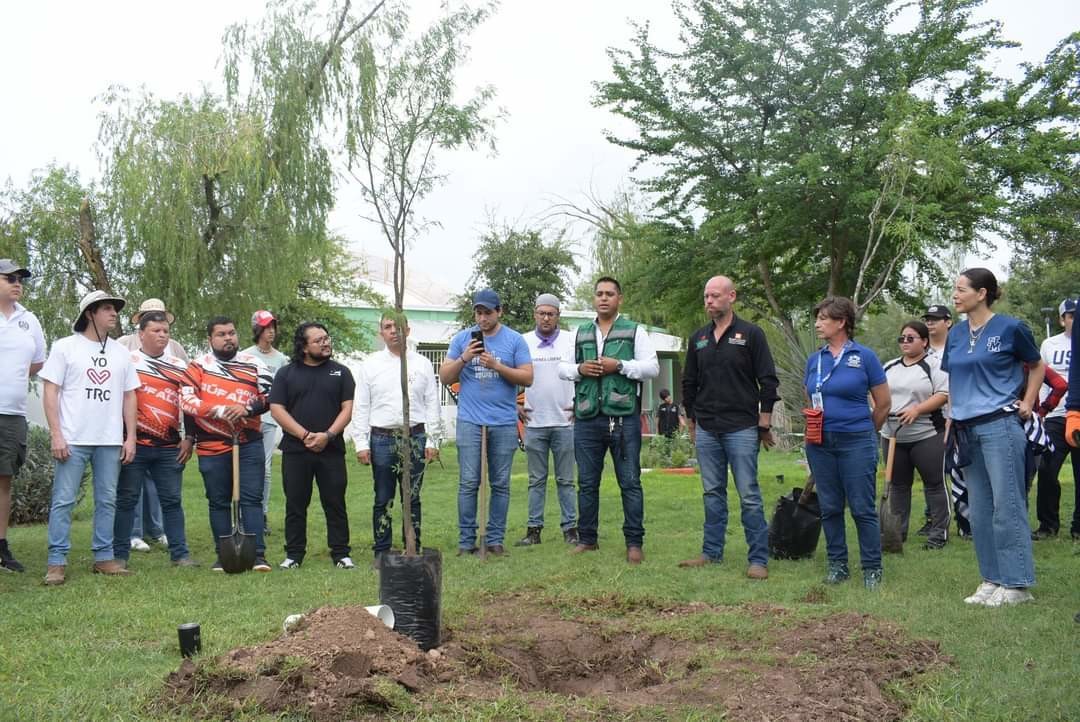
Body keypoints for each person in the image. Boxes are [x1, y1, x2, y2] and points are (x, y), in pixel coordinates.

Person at [942, 268, 1042, 607]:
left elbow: (1037, 365)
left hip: (1000, 425)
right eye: (954, 289)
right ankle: (992, 579)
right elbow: (953, 379)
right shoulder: (956, 334)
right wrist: (950, 419)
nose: (954, 295)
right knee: (980, 509)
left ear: (981, 293)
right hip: (965, 429)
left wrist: (1028, 402)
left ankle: (1017, 584)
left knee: (1007, 505)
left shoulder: (1011, 328)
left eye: (961, 289)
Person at [679, 275, 779, 579]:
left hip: (742, 427)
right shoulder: (699, 338)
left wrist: (764, 422)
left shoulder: (751, 334)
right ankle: (711, 553)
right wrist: (692, 421)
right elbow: (689, 382)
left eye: (715, 296)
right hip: (708, 427)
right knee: (712, 492)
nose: (709, 301)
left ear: (731, 296)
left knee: (748, 493)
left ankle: (758, 559)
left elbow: (768, 380)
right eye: (706, 296)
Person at [39, 290, 140, 585]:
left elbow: (130, 395)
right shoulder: (65, 347)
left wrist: (130, 436)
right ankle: (56, 562)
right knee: (64, 500)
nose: (114, 314)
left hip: (109, 440)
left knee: (108, 499)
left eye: (115, 309)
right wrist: (56, 434)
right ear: (90, 314)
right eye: (107, 309)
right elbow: (50, 391)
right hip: (73, 438)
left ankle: (104, 558)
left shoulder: (121, 352)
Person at [559, 277, 659, 564]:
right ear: (594, 298)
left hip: (624, 417)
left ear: (619, 299)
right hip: (588, 417)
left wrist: (621, 366)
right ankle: (587, 539)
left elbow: (651, 367)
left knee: (630, 482)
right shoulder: (579, 332)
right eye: (599, 294)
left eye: (610, 294)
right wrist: (580, 368)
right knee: (587, 482)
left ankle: (634, 542)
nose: (604, 298)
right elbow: (562, 369)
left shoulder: (634, 331)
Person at [803, 296, 890, 589]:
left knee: (862, 507)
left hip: (857, 441)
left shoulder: (864, 357)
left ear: (841, 322)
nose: (817, 324)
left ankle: (872, 568)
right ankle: (837, 565)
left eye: (823, 318)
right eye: (817, 318)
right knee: (829, 506)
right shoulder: (815, 360)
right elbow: (810, 400)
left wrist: (865, 431)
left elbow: (883, 404)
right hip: (820, 443)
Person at [439, 289, 533, 557]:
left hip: (503, 422)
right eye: (478, 313)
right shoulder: (462, 339)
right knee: (469, 482)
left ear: (499, 312)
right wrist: (465, 357)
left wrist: (497, 366)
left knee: (500, 482)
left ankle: (494, 539)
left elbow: (527, 378)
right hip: (470, 420)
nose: (482, 318)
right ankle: (466, 541)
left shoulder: (514, 340)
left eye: (488, 313)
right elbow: (445, 377)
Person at [180, 317, 274, 572]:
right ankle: (224, 555)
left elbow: (270, 397)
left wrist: (245, 408)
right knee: (218, 499)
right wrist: (221, 410)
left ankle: (257, 556)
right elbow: (187, 403)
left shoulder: (254, 363)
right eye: (221, 334)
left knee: (251, 499)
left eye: (232, 333)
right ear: (210, 339)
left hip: (249, 442)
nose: (228, 338)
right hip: (211, 444)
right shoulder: (197, 366)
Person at [351, 313, 440, 565]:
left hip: (415, 437)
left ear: (408, 331)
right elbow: (362, 405)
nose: (394, 331)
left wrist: (433, 440)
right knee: (383, 497)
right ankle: (382, 551)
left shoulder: (422, 363)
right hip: (382, 438)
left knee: (412, 496)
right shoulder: (370, 365)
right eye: (388, 327)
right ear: (381, 333)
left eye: (398, 326)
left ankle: (413, 546)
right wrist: (360, 443)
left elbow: (432, 403)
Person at [112, 310, 197, 568]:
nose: (162, 336)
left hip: (170, 447)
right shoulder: (128, 361)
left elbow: (189, 403)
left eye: (166, 332)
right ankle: (119, 555)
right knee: (126, 500)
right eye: (156, 331)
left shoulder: (181, 367)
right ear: (141, 334)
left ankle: (180, 554)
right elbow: (118, 401)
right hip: (134, 445)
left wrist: (190, 437)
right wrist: (123, 438)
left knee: (172, 501)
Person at [270, 323, 356, 569]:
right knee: (296, 503)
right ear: (304, 346)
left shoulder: (342, 372)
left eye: (326, 338)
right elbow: (277, 409)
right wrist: (305, 435)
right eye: (318, 340)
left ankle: (341, 554)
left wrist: (328, 435)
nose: (325, 343)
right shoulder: (286, 374)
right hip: (297, 451)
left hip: (332, 450)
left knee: (335, 502)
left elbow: (347, 409)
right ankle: (293, 555)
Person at [880, 320, 950, 550]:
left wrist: (917, 409)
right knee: (899, 486)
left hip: (926, 434)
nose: (905, 342)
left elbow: (943, 394)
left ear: (924, 341)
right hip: (892, 436)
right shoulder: (889, 366)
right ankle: (896, 535)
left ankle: (938, 534)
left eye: (911, 338)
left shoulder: (935, 365)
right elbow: (875, 391)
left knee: (934, 484)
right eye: (902, 338)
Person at [515, 294, 578, 547]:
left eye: (551, 313)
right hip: (534, 421)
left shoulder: (571, 341)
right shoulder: (523, 341)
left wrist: (580, 406)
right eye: (541, 313)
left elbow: (583, 373)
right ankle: (534, 531)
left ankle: (570, 529)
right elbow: (510, 375)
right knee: (536, 480)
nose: (546, 317)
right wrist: (513, 405)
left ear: (558, 316)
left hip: (565, 421)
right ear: (535, 314)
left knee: (566, 480)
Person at [0, 260, 46, 573]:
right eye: (11, 278)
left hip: (12, 414)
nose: (18, 283)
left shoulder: (29, 320)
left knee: (4, 480)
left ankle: (1, 547)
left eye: (21, 279)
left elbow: (36, 363)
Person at [1033, 298, 1077, 540]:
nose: (1075, 318)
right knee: (1047, 470)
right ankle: (1047, 526)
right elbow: (1039, 378)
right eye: (1070, 315)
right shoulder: (1049, 344)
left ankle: (1078, 527)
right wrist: (1041, 412)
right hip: (1055, 416)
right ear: (1062, 319)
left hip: (1079, 416)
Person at [244, 310, 289, 536]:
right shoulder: (245, 356)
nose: (270, 331)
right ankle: (245, 512)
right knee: (246, 467)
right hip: (247, 419)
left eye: (273, 327)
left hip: (270, 420)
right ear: (257, 330)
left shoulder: (281, 359)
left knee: (266, 469)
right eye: (266, 327)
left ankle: (261, 513)